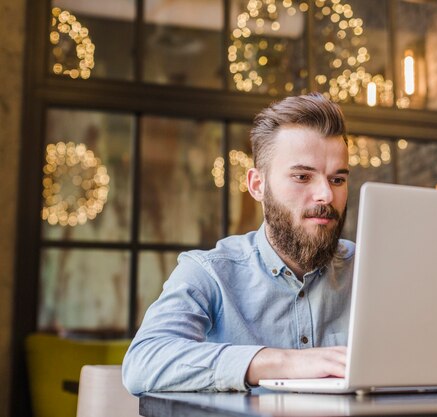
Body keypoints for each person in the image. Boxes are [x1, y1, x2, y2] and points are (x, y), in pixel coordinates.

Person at [122, 93, 354, 394]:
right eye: (302, 176)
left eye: (337, 180)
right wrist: (281, 363)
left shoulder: (371, 270)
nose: (325, 195)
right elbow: (143, 362)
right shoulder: (209, 272)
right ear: (257, 185)